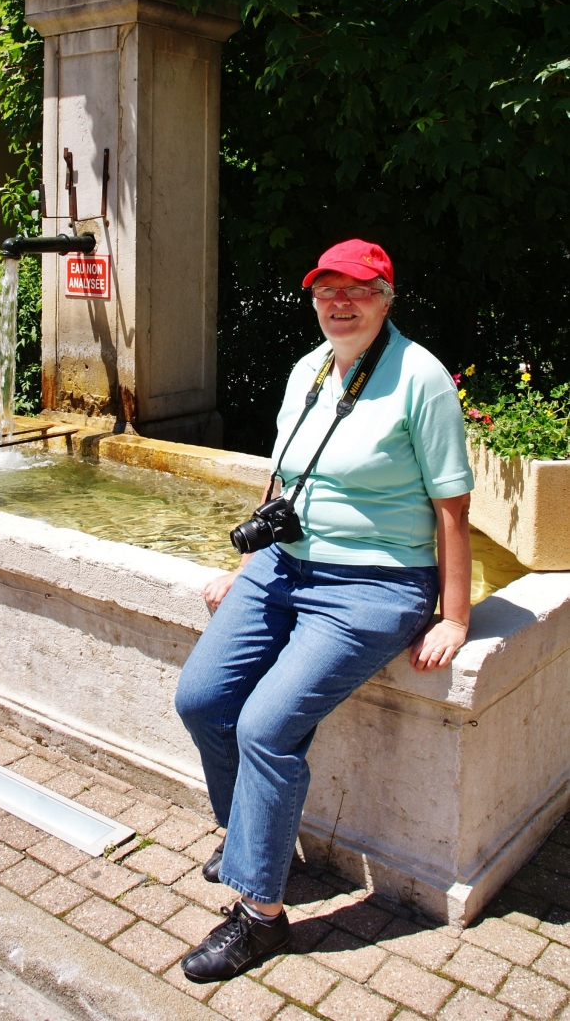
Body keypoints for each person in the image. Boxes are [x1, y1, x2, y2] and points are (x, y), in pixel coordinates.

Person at [175, 238, 474, 983]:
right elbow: (284, 481)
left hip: (374, 585)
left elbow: (453, 508)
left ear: (387, 297)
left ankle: (260, 917)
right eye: (326, 290)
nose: (340, 303)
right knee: (203, 699)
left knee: (267, 725)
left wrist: (456, 616)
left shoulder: (421, 378)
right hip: (284, 566)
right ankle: (251, 837)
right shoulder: (308, 369)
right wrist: (246, 568)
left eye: (358, 290)